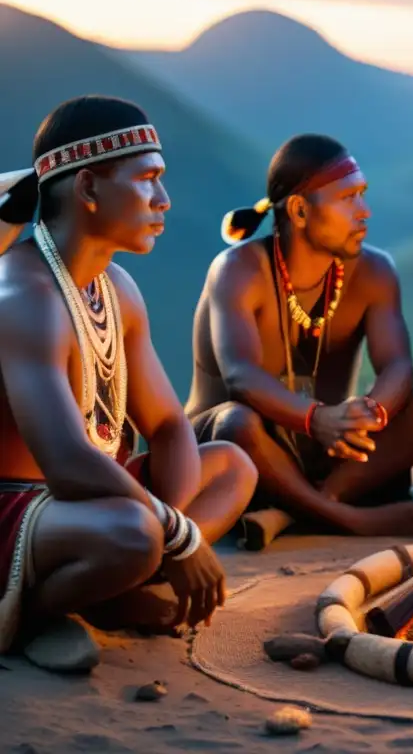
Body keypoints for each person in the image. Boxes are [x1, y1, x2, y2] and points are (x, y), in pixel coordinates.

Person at [0, 95, 257, 672]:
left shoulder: (116, 287)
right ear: (88, 188)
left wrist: (174, 525)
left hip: (97, 504)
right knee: (134, 535)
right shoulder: (25, 295)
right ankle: (34, 615)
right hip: (17, 512)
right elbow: (65, 462)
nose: (163, 200)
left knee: (233, 466)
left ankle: (114, 586)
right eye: (147, 180)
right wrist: (176, 536)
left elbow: (167, 427)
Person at [185, 134, 413, 550]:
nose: (364, 212)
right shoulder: (238, 270)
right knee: (237, 420)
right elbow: (241, 377)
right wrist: (316, 419)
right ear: (300, 210)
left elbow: (397, 366)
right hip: (240, 451)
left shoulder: (374, 271)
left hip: (323, 455)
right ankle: (349, 519)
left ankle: (308, 506)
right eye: (347, 198)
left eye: (362, 195)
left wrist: (370, 412)